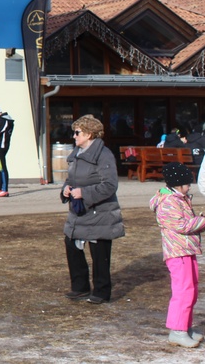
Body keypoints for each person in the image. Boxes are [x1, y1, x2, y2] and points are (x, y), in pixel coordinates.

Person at [60, 114, 125, 305]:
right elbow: (71, 179)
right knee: (71, 244)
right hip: (78, 212)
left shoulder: (103, 155)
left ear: (89, 134)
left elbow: (110, 185)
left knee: (100, 254)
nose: (74, 136)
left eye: (77, 132)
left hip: (100, 213)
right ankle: (80, 287)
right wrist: (65, 190)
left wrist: (85, 193)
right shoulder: (76, 155)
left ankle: (102, 291)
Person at [149, 162, 205, 348]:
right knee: (183, 291)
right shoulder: (168, 202)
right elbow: (182, 225)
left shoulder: (179, 198)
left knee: (192, 289)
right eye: (188, 183)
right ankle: (177, 331)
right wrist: (202, 221)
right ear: (178, 183)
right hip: (177, 252)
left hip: (186, 250)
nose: (190, 186)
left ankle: (186, 327)